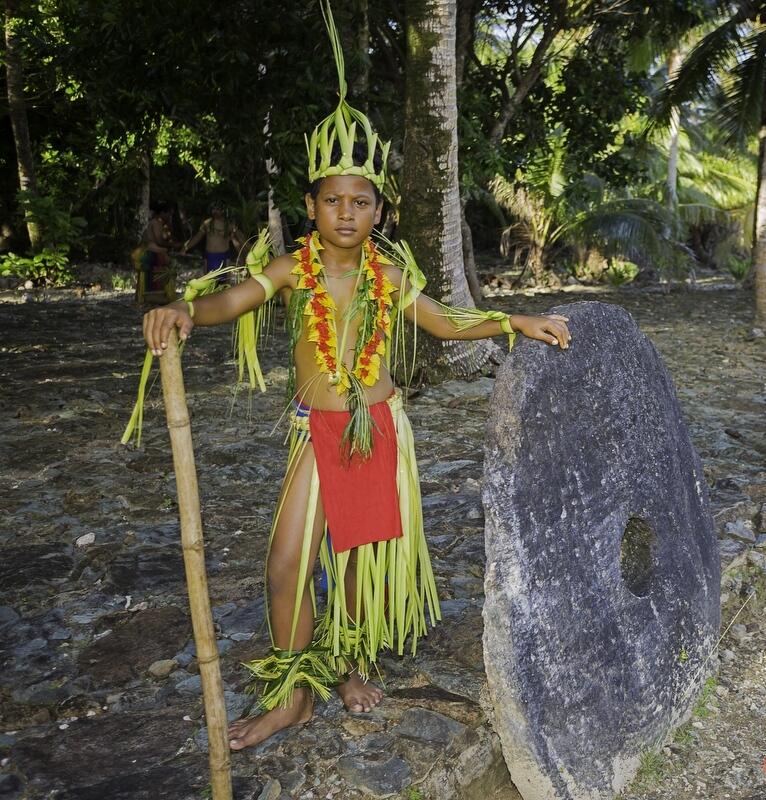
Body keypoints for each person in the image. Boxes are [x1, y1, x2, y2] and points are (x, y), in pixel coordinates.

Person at [138, 1, 571, 752]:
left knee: (362, 563)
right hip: (318, 431)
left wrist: (513, 321)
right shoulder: (293, 268)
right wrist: (181, 308)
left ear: (378, 211)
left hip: (377, 430)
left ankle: (349, 667)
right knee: (287, 564)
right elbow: (233, 299)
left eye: (360, 201)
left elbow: (440, 320)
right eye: (332, 200)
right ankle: (295, 694)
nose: (346, 212)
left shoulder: (387, 274)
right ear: (310, 207)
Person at [182, 205, 245, 277]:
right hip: (209, 257)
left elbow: (240, 238)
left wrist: (248, 249)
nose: (215, 211)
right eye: (214, 209)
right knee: (208, 281)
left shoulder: (228, 224)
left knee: (224, 282)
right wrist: (185, 248)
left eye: (218, 209)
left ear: (223, 211)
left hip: (223, 257)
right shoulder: (207, 224)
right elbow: (197, 237)